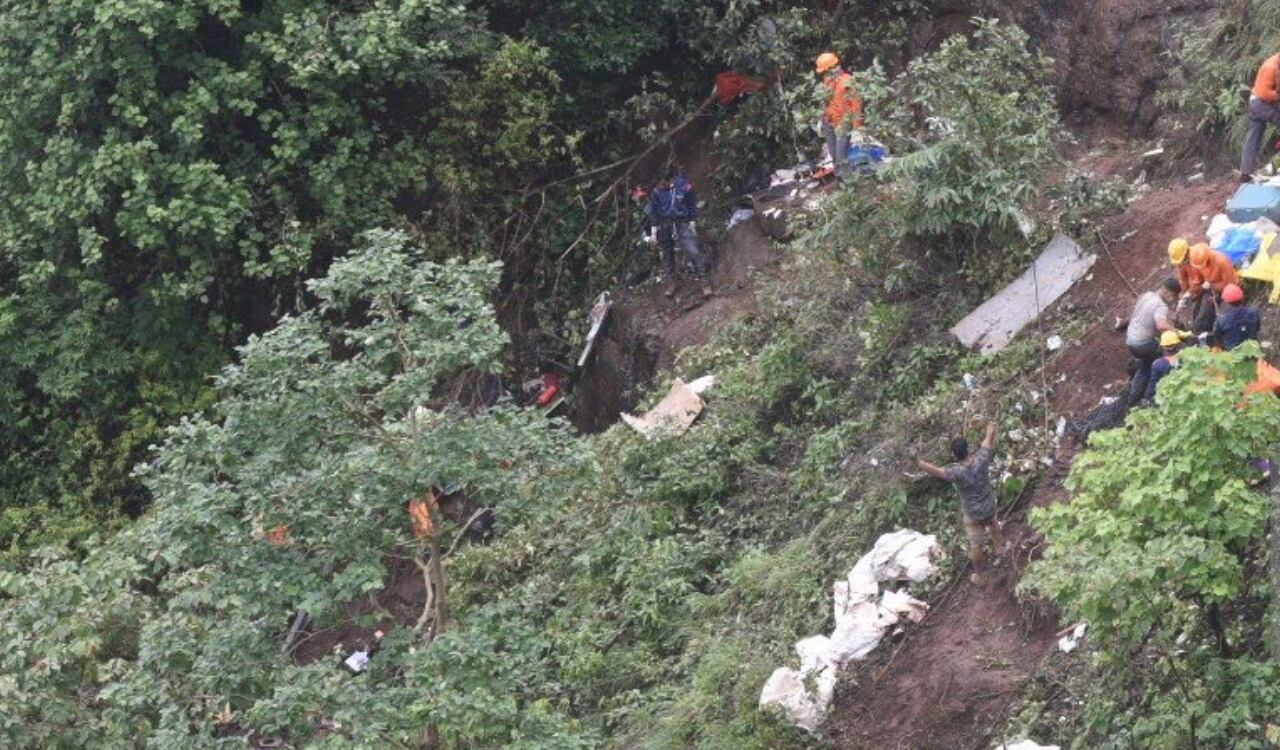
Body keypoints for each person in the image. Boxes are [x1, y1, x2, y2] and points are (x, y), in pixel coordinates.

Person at [916, 421, 1006, 585]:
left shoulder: (956, 472)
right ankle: (1001, 550)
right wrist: (990, 428)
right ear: (969, 449)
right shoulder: (981, 459)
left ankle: (980, 575)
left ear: (954, 455)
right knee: (994, 524)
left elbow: (937, 471)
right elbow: (988, 439)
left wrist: (921, 463)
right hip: (989, 505)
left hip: (973, 514)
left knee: (976, 545)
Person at [645, 167, 711, 299]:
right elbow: (654, 211)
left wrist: (692, 220)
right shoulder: (657, 192)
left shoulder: (684, 187)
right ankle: (672, 283)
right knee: (667, 255)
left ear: (670, 180)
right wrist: (653, 231)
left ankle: (705, 284)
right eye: (659, 184)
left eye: (663, 183)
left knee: (694, 252)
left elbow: (691, 203)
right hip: (665, 224)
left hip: (682, 223)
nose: (660, 186)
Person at [1126, 277, 1181, 402]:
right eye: (1173, 296)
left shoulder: (1147, 295)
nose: (1172, 300)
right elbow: (1161, 325)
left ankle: (1133, 399)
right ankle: (1160, 392)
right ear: (1166, 292)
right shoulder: (1161, 305)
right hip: (1144, 343)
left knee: (1144, 367)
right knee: (1167, 355)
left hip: (1131, 340)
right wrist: (1176, 331)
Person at [815, 52, 863, 179]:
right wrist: (821, 119)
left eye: (825, 71)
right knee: (835, 157)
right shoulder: (827, 81)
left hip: (843, 123)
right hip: (829, 123)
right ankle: (841, 183)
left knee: (842, 157)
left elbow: (856, 105)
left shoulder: (848, 81)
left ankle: (849, 184)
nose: (824, 75)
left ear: (832, 68)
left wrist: (857, 128)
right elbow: (825, 101)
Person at [1178, 243, 1240, 334]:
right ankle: (1198, 329)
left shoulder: (1221, 261)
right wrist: (1188, 294)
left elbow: (1231, 284)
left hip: (1225, 289)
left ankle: (1206, 331)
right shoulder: (1196, 261)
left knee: (1205, 312)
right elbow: (1198, 282)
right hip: (1210, 287)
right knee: (1196, 309)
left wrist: (1212, 286)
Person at [1242, 52, 1280, 180]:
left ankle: (1246, 172)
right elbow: (1264, 92)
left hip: (1256, 102)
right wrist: (1278, 95)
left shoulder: (1276, 64)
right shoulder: (1271, 67)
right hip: (1260, 103)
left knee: (1254, 137)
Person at [1213, 282, 1262, 350]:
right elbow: (1257, 328)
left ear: (1226, 302)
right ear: (1242, 298)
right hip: (1253, 349)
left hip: (1233, 354)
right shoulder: (1253, 312)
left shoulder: (1222, 320)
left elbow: (1217, 336)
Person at [1143, 330, 1184, 403]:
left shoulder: (1157, 364)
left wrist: (1147, 400)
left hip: (1166, 397)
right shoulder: (1184, 359)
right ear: (1178, 345)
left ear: (1162, 346)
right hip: (1182, 395)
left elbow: (1153, 385)